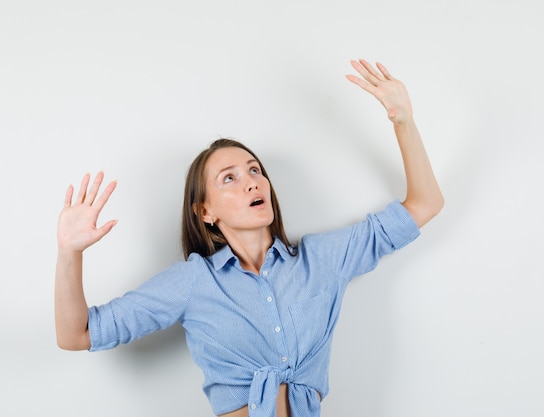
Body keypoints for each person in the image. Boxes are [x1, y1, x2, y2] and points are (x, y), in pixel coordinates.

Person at [55, 59, 444, 417]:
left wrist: (404, 120)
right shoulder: (194, 282)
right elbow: (77, 334)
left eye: (255, 170)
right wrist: (70, 253)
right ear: (205, 212)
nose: (252, 182)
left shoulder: (322, 259)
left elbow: (425, 204)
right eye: (230, 178)